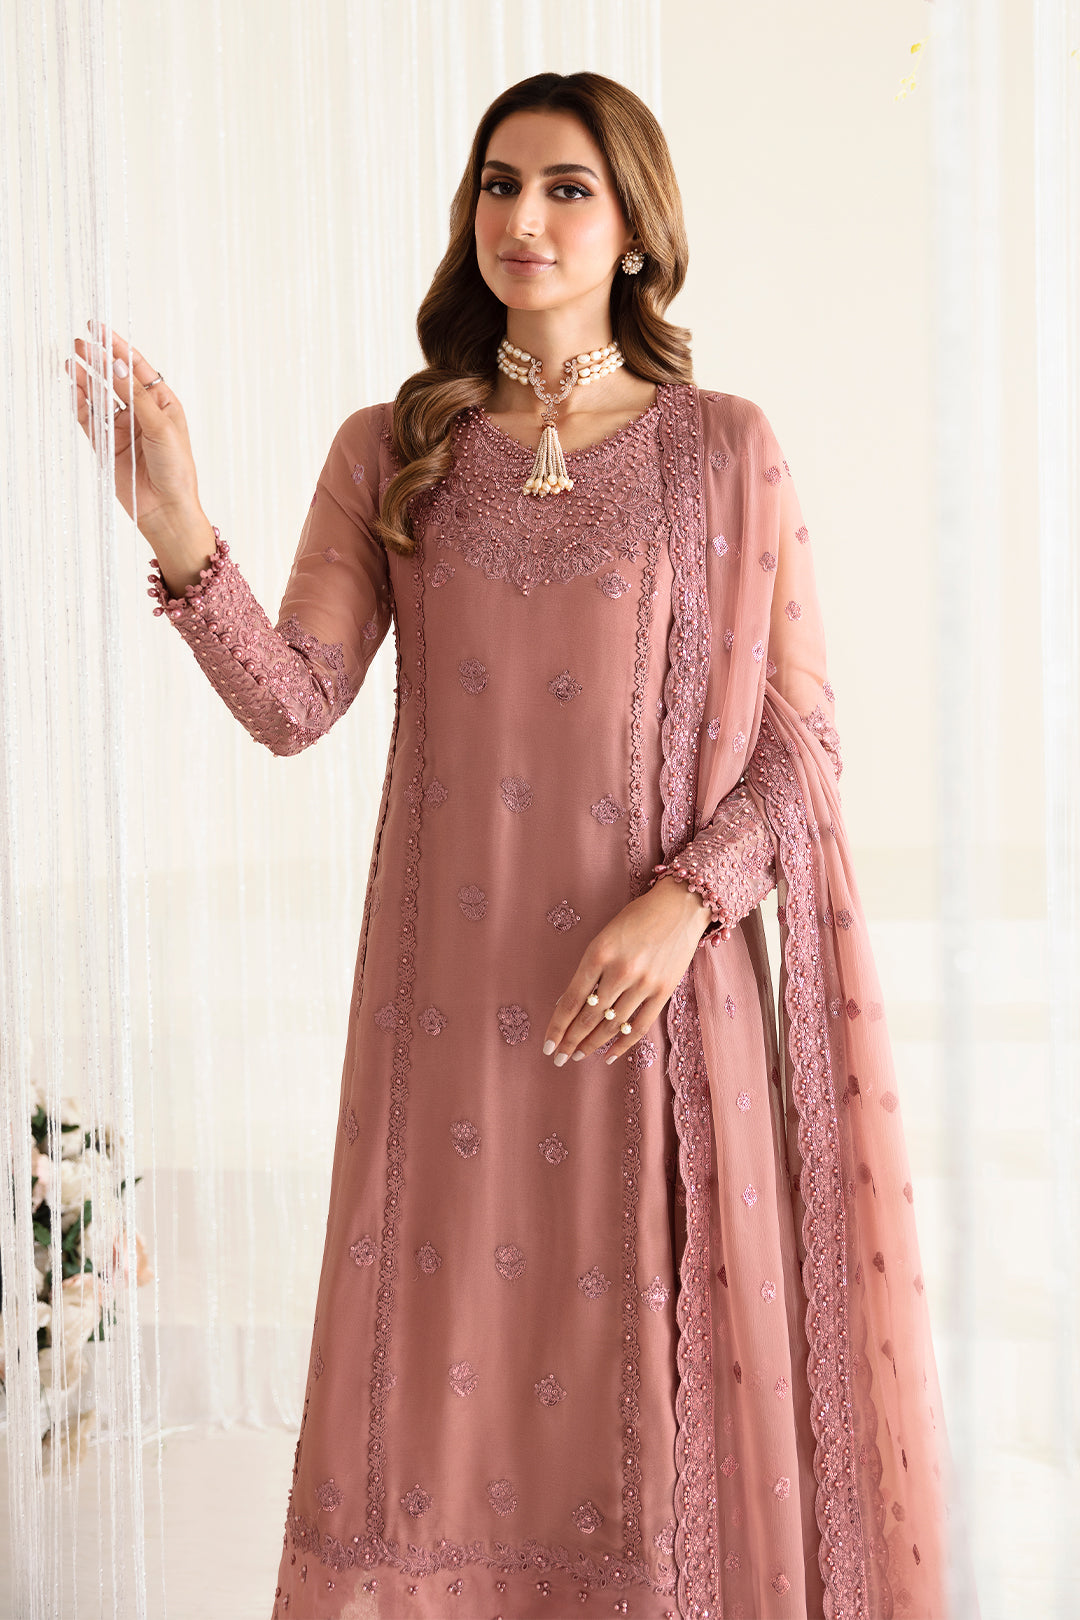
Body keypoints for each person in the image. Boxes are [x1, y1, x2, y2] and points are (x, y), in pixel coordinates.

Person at [67, 69, 974, 1620]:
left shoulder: (725, 453)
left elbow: (801, 749)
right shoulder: (394, 448)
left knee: (654, 1415)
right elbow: (292, 703)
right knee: (445, 1420)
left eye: (566, 188)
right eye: (500, 184)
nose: (524, 218)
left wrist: (687, 905)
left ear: (637, 229)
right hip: (453, 1033)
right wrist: (179, 532)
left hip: (659, 1019)